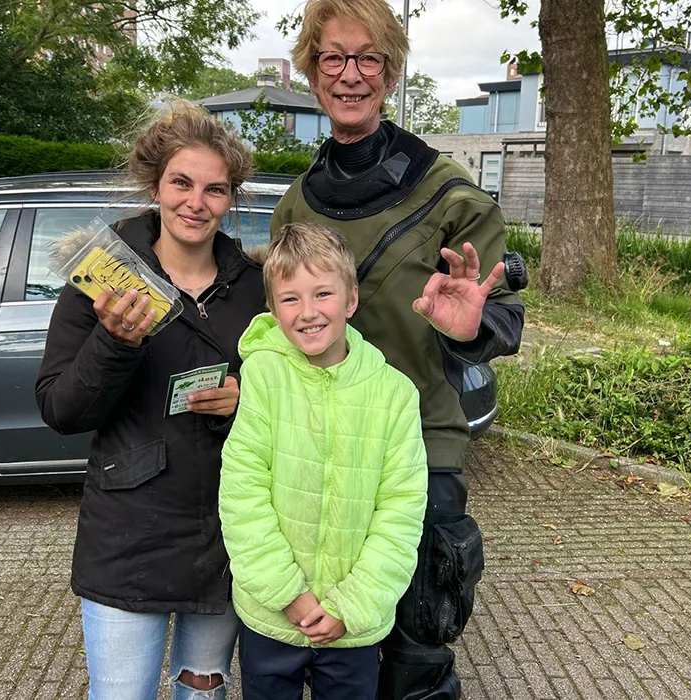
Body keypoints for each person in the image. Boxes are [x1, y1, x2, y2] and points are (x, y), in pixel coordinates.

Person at [273, 1, 526, 697]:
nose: (350, 74)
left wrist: (468, 326)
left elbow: (503, 320)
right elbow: (278, 328)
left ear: (390, 73)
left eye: (368, 58)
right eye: (333, 57)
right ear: (312, 72)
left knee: (416, 654)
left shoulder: (449, 194)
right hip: (321, 453)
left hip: (419, 442)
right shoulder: (296, 205)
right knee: (330, 656)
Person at [35, 101, 265, 700]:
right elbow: (62, 410)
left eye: (215, 189)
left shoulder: (255, 289)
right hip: (129, 536)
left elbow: (297, 396)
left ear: (231, 198)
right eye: (181, 183)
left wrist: (249, 399)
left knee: (203, 693)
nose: (196, 202)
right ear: (155, 184)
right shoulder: (103, 277)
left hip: (228, 532)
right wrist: (115, 341)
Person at [219, 222, 428, 700]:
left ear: (351, 300)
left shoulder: (395, 394)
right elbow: (242, 494)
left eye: (323, 294)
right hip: (272, 616)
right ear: (273, 309)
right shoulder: (262, 376)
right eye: (290, 299)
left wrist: (351, 605)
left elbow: (401, 510)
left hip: (353, 625)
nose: (308, 312)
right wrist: (287, 594)